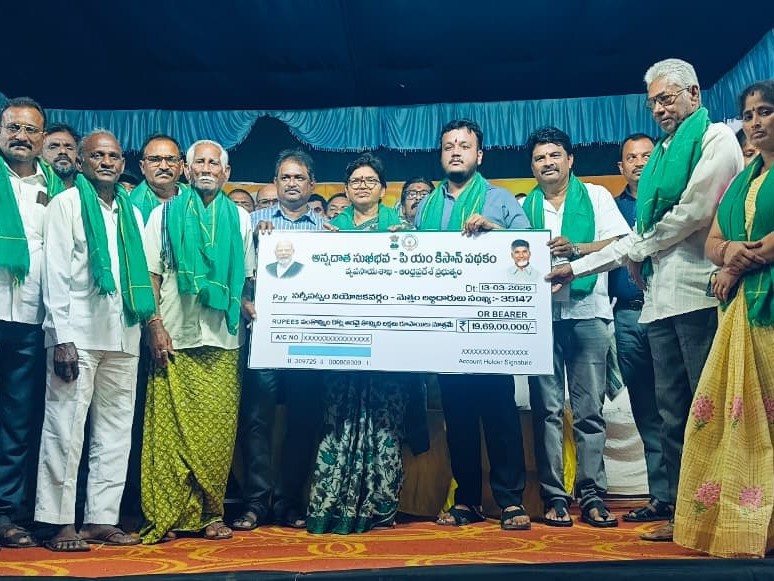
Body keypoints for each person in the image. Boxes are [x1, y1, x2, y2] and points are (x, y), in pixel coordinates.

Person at [545, 58, 743, 541]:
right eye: (653, 101)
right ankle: (680, 511)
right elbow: (641, 237)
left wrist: (638, 249)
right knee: (672, 415)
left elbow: (692, 213)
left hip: (700, 296)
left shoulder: (715, 139)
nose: (658, 109)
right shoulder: (661, 158)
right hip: (658, 302)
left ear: (694, 93)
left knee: (707, 411)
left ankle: (722, 513)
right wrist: (575, 268)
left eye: (666, 98)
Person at [36, 130, 153, 552]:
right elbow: (54, 273)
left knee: (116, 432)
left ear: (123, 163)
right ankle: (59, 522)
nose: (106, 162)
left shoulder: (131, 212)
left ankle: (101, 519)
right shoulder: (66, 204)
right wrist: (60, 337)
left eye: (113, 156)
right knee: (65, 430)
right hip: (77, 336)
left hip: (124, 335)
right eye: (97, 155)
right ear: (82, 162)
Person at [673, 80, 774, 559]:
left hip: (764, 307)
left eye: (766, 111)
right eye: (749, 115)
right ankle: (749, 526)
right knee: (739, 423)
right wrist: (728, 252)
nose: (755, 122)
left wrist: (734, 264)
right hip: (742, 314)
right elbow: (714, 241)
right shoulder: (742, 180)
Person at [415, 119, 532, 531]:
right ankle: (467, 499)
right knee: (458, 417)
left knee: (499, 413)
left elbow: (529, 249)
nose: (455, 151)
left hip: (490, 327)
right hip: (445, 330)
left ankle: (510, 500)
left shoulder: (500, 200)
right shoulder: (427, 206)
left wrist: (494, 230)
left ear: (479, 155)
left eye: (464, 146)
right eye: (449, 146)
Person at [140, 139, 255, 544]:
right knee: (168, 436)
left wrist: (250, 305)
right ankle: (169, 514)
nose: (206, 168)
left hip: (223, 338)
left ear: (226, 172)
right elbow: (151, 274)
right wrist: (154, 325)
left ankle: (210, 513)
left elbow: (246, 278)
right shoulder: (163, 215)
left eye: (214, 163)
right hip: (175, 335)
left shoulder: (240, 218)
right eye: (199, 162)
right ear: (187, 171)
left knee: (216, 436)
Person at [307, 153, 420, 533]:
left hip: (389, 349)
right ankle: (332, 506)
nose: (362, 186)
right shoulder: (330, 231)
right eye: (356, 181)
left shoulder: (401, 230)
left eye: (370, 181)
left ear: (384, 190)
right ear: (346, 188)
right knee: (337, 424)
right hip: (341, 345)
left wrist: (406, 247)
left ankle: (379, 507)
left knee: (384, 427)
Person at [523, 127, 630, 528]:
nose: (547, 163)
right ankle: (554, 496)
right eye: (539, 158)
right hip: (541, 319)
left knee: (588, 412)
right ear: (532, 167)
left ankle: (591, 494)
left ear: (570, 160)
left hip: (589, 313)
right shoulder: (524, 206)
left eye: (555, 155)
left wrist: (577, 251)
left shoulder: (597, 197)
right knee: (547, 412)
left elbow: (622, 243)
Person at [233, 149, 325, 531]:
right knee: (257, 420)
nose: (291, 183)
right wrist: (244, 300)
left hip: (307, 340)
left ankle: (289, 501)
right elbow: (235, 270)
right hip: (264, 336)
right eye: (284, 177)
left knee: (304, 419)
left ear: (311, 184)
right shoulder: (252, 223)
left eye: (299, 177)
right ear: (275, 182)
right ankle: (256, 501)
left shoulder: (327, 231)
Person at [0, 97, 66, 549]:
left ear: (42, 138)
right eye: (13, 128)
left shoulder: (59, 190)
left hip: (30, 318)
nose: (21, 136)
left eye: (30, 130)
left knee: (17, 422)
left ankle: (7, 512)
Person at [609, 133, 672, 524]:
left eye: (647, 156)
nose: (640, 163)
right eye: (631, 158)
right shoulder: (612, 210)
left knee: (676, 406)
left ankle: (688, 496)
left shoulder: (671, 202)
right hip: (628, 315)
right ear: (621, 166)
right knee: (646, 409)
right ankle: (661, 497)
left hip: (669, 312)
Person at [129, 134, 185, 222]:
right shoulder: (128, 203)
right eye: (155, 159)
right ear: (142, 167)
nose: (164, 167)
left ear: (181, 166)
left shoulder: (196, 197)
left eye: (171, 159)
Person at [41, 124, 79, 188]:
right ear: (40, 154)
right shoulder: (31, 187)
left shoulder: (89, 190)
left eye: (69, 148)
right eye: (53, 147)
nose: (63, 151)